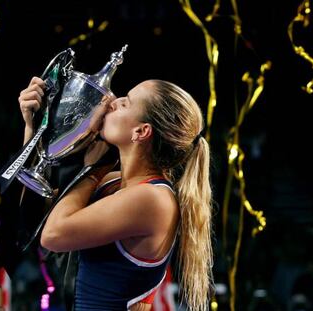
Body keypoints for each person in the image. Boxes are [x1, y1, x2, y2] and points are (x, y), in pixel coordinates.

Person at [18, 76, 214, 311]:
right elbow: (33, 217)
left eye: (125, 103)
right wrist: (35, 129)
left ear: (141, 132)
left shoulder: (152, 199)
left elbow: (53, 236)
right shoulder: (114, 183)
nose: (111, 101)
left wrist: (91, 171)